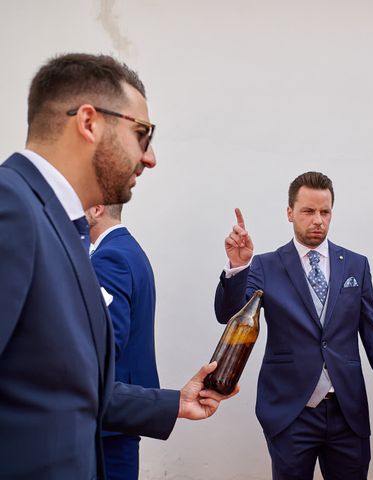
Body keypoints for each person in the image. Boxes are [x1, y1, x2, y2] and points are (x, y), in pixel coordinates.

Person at [0, 53, 236, 479]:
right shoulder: (11, 209)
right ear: (89, 122)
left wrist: (171, 403)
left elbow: (56, 387)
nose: (150, 158)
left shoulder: (60, 227)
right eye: (142, 134)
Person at [214, 171, 373, 479]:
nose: (317, 220)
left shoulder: (356, 264)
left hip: (348, 412)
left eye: (324, 212)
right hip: (290, 413)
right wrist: (239, 266)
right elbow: (228, 314)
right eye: (308, 211)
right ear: (290, 213)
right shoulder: (265, 265)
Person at [86, 203, 160, 480]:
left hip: (110, 414)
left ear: (96, 209)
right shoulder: (128, 249)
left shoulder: (109, 257)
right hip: (122, 411)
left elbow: (104, 343)